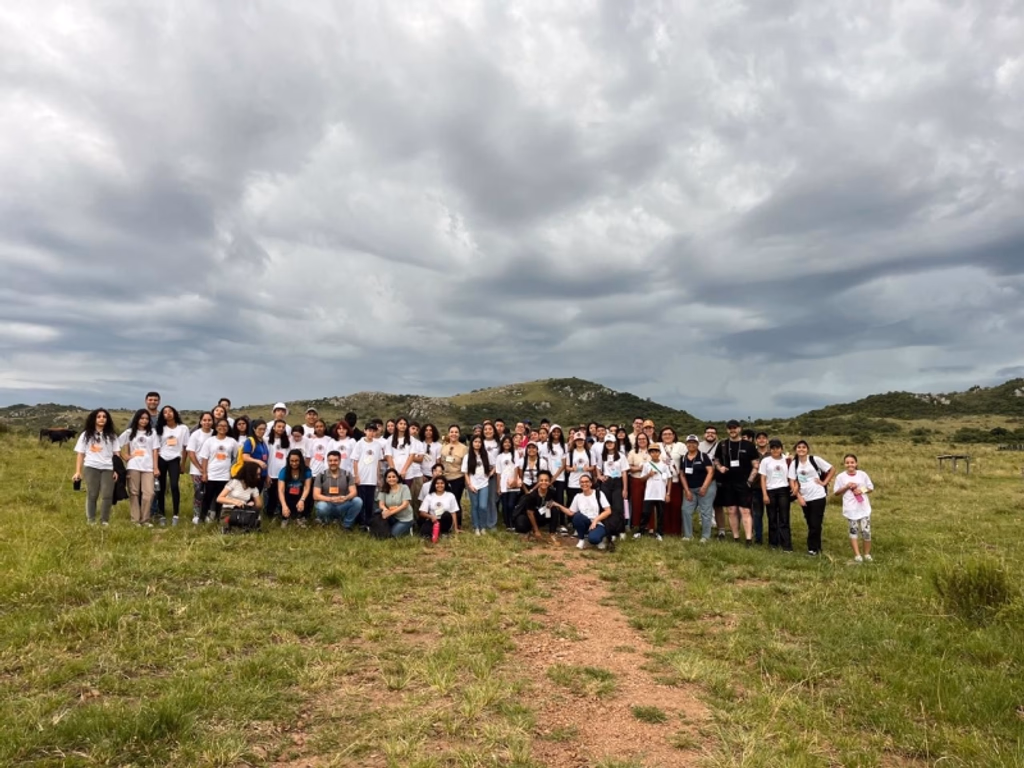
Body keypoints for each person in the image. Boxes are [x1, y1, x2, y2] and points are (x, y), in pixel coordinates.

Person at [72, 409, 121, 526]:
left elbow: (116, 454)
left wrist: (117, 470)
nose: (102, 418)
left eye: (104, 416)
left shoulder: (112, 435)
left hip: (108, 468)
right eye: (98, 416)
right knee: (92, 494)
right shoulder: (86, 435)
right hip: (91, 466)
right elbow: (80, 453)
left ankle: (104, 520)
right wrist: (78, 472)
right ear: (94, 419)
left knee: (107, 495)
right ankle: (91, 520)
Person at [714, 420, 758, 544]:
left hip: (743, 483)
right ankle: (736, 537)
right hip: (727, 483)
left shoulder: (748, 445)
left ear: (739, 429)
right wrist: (719, 467)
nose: (732, 430)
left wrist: (749, 481)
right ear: (727, 430)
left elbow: (755, 464)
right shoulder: (722, 444)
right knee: (731, 510)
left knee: (745, 510)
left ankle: (748, 538)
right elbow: (716, 460)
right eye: (729, 428)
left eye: (735, 428)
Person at [789, 441, 835, 556]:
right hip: (804, 497)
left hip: (818, 496)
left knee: (815, 523)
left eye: (804, 447)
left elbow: (832, 469)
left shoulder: (815, 459)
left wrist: (824, 482)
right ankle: (818, 547)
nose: (801, 449)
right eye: (799, 447)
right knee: (811, 523)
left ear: (807, 449)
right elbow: (792, 480)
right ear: (796, 449)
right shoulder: (794, 463)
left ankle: (812, 549)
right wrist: (799, 497)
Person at [549, 474, 614, 550]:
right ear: (579, 484)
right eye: (582, 482)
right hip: (586, 522)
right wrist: (558, 505)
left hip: (599, 523)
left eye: (586, 481)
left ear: (591, 483)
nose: (584, 484)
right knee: (577, 517)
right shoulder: (578, 496)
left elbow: (608, 511)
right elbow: (570, 512)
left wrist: (596, 520)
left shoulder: (598, 494)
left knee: (594, 539)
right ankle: (581, 539)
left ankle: (601, 539)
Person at [119, 409, 159, 526]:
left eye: (147, 419)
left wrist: (155, 468)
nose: (144, 421)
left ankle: (145, 519)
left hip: (148, 467)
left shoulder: (152, 433)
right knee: (134, 492)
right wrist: (125, 456)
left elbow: (155, 450)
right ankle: (135, 519)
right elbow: (115, 444)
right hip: (133, 466)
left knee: (149, 493)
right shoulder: (129, 432)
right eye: (142, 418)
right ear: (137, 419)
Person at [833, 454, 875, 562]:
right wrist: (846, 487)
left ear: (856, 463)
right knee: (853, 531)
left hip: (864, 508)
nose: (850, 465)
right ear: (844, 464)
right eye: (847, 462)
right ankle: (857, 554)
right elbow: (836, 492)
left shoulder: (863, 474)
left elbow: (870, 488)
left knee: (866, 531)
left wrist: (861, 490)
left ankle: (866, 554)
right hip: (851, 509)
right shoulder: (840, 477)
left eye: (852, 462)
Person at [154, 406, 190, 526]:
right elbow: (156, 447)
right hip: (161, 458)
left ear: (174, 413)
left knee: (174, 485)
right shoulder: (159, 429)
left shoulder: (183, 428)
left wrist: (183, 463)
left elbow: (185, 447)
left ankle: (175, 514)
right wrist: (155, 465)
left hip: (175, 459)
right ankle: (162, 514)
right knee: (161, 488)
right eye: (165, 412)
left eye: (170, 411)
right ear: (162, 415)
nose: (168, 414)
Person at [198, 419, 238, 524]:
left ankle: (218, 520)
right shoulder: (210, 441)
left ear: (228, 428)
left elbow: (237, 457)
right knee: (207, 498)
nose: (223, 428)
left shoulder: (232, 441)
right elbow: (204, 458)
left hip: (225, 476)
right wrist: (204, 473)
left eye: (225, 426)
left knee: (221, 500)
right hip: (211, 475)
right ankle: (201, 519)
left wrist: (233, 471)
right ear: (216, 427)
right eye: (220, 425)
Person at [680, 434, 716, 542]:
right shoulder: (683, 458)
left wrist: (704, 487)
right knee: (686, 510)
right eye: (689, 443)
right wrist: (686, 490)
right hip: (690, 488)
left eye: (694, 443)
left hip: (706, 487)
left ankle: (705, 536)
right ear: (686, 444)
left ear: (697, 444)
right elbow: (682, 474)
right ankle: (688, 535)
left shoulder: (703, 456)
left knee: (705, 512)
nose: (691, 444)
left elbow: (710, 471)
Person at [313, 450, 362, 529]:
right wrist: (331, 499)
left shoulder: (347, 474)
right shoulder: (321, 475)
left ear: (340, 461)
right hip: (328, 505)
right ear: (327, 461)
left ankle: (346, 525)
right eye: (330, 461)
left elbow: (354, 492)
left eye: (335, 460)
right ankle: (327, 522)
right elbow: (316, 495)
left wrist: (345, 498)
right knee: (321, 506)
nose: (333, 463)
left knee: (358, 501)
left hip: (342, 504)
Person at [758, 439, 792, 551]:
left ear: (781, 448)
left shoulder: (787, 460)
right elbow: (762, 478)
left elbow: (792, 476)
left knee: (784, 518)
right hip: (770, 490)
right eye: (772, 448)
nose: (775, 450)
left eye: (777, 448)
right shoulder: (765, 461)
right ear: (769, 449)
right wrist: (764, 494)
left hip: (784, 490)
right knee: (771, 517)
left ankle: (786, 545)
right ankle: (773, 543)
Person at [349, 423, 384, 524]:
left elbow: (378, 462)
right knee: (361, 501)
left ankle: (369, 521)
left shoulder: (378, 445)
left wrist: (378, 477)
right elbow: (355, 461)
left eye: (374, 431)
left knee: (370, 501)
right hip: (362, 478)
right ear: (365, 431)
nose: (371, 433)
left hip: (372, 479)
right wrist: (356, 476)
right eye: (369, 430)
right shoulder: (359, 443)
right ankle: (360, 521)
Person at [635, 444, 671, 540]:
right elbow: (641, 479)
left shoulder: (664, 465)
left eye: (656, 451)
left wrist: (668, 493)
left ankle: (659, 533)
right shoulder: (646, 465)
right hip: (649, 494)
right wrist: (649, 475)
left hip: (661, 493)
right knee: (645, 513)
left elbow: (669, 478)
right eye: (652, 452)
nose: (654, 453)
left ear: (659, 453)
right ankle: (640, 531)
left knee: (661, 514)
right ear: (650, 453)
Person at [597, 434, 628, 540]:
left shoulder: (621, 456)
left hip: (618, 483)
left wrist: (625, 488)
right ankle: (610, 531)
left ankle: (621, 530)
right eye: (607, 443)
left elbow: (624, 472)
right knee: (606, 507)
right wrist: (599, 476)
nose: (609, 444)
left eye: (611, 442)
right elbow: (597, 468)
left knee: (618, 508)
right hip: (607, 482)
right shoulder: (602, 456)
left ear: (615, 444)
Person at [186, 412, 215, 526]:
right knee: (199, 493)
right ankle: (196, 515)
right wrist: (200, 468)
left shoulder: (215, 433)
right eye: (204, 420)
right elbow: (191, 454)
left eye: (209, 420)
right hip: (197, 470)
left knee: (211, 494)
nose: (207, 422)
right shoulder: (196, 435)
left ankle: (209, 514)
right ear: (200, 421)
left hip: (212, 470)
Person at [386, 416, 425, 501]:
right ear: (396, 425)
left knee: (406, 497)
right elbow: (389, 456)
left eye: (405, 424)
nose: (403, 426)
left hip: (407, 473)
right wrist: (394, 471)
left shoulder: (411, 440)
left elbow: (411, 456)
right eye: (400, 424)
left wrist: (404, 470)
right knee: (394, 497)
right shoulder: (390, 439)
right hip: (394, 473)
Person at [215, 462, 263, 530]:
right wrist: (234, 502)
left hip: (243, 511)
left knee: (248, 525)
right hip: (228, 510)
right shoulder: (234, 482)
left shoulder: (253, 488)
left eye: (259, 474)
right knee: (231, 527)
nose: (259, 477)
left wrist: (252, 504)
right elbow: (219, 498)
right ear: (250, 474)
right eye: (257, 474)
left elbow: (259, 505)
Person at [462, 434, 493, 535]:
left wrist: (489, 475)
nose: (477, 444)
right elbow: (465, 472)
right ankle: (476, 527)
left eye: (479, 442)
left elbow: (494, 466)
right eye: (475, 442)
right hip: (473, 485)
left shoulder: (486, 455)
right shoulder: (467, 457)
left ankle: (483, 526)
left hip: (484, 484)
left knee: (483, 506)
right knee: (474, 506)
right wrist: (470, 485)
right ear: (472, 443)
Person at [514, 469, 559, 539]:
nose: (544, 482)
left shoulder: (552, 492)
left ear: (550, 481)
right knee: (521, 523)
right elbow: (530, 513)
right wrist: (536, 531)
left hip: (541, 513)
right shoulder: (532, 495)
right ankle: (530, 530)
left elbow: (550, 506)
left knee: (554, 510)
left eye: (546, 480)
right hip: (530, 516)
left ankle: (552, 533)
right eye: (541, 480)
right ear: (538, 481)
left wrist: (548, 510)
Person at [698, 425, 724, 539]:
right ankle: (704, 525)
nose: (710, 434)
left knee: (718, 505)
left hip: (717, 477)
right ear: (704, 434)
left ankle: (721, 530)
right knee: (702, 503)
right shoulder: (699, 446)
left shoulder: (721, 446)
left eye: (713, 433)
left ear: (716, 435)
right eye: (708, 432)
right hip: (700, 477)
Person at [660, 427, 685, 536]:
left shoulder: (680, 446)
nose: (667, 436)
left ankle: (676, 530)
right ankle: (664, 529)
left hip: (675, 481)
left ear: (674, 435)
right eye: (665, 434)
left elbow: (686, 460)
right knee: (663, 506)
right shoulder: (658, 446)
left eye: (670, 434)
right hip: (661, 481)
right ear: (661, 436)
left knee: (676, 505)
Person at [418, 476, 460, 542]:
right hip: (433, 520)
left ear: (445, 484)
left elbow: (453, 512)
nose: (440, 485)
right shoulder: (429, 496)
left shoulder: (450, 495)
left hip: (446, 520)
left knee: (446, 514)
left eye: (442, 483)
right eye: (437, 483)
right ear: (434, 485)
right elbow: (422, 512)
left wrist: (455, 528)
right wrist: (431, 516)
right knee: (424, 533)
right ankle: (434, 532)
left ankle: (445, 532)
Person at [278, 449, 313, 526]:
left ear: (301, 460)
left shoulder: (307, 471)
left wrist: (302, 500)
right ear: (288, 461)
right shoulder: (283, 471)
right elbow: (281, 490)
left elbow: (307, 488)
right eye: (292, 461)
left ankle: (301, 517)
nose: (294, 463)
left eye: (297, 461)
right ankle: (285, 517)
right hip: (288, 495)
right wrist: (284, 505)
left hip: (301, 495)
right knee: (280, 494)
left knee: (309, 493)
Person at [440, 425, 468, 517]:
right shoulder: (444, 447)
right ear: (449, 434)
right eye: (452, 432)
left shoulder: (464, 448)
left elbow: (466, 466)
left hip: (457, 478)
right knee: (445, 501)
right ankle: (446, 522)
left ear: (459, 434)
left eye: (456, 432)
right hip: (445, 478)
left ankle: (458, 524)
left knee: (455, 501)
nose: (454, 434)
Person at [627, 432, 653, 530]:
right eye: (639, 439)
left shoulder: (652, 451)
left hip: (650, 480)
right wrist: (639, 468)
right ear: (637, 441)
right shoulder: (633, 452)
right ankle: (638, 525)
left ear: (647, 440)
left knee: (649, 503)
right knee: (637, 503)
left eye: (644, 439)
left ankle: (650, 525)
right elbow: (628, 467)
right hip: (636, 480)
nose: (642, 441)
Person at [265, 419, 290, 519]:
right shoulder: (267, 440)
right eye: (279, 426)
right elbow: (265, 458)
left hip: (283, 473)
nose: (281, 429)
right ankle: (270, 516)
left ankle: (283, 514)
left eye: (283, 427)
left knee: (283, 495)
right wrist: (267, 475)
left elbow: (288, 457)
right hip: (271, 473)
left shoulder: (287, 441)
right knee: (272, 496)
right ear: (274, 427)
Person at [377, 468, 415, 537]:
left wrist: (390, 513)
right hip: (392, 517)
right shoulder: (384, 489)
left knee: (393, 535)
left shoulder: (404, 488)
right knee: (378, 511)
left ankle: (409, 527)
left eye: (394, 477)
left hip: (405, 518)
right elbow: (381, 504)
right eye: (389, 477)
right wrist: (385, 509)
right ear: (386, 479)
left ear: (397, 478)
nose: (391, 479)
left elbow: (405, 505)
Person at [495, 435, 520, 530]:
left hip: (512, 481)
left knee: (511, 504)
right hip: (503, 483)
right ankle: (507, 524)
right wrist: (498, 487)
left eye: (509, 442)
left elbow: (516, 468)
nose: (507, 444)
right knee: (505, 505)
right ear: (502, 444)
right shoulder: (499, 457)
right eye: (505, 442)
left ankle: (512, 522)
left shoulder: (515, 454)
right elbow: (498, 472)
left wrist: (515, 480)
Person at [565, 431, 594, 510]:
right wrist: (572, 469)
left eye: (581, 440)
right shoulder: (570, 453)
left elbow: (593, 467)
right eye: (577, 440)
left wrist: (588, 468)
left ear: (584, 441)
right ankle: (571, 520)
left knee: (586, 502)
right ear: (574, 441)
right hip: (573, 482)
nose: (579, 442)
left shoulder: (590, 453)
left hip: (586, 481)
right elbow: (567, 467)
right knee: (572, 502)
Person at [750, 431, 770, 545]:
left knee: (772, 514)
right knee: (757, 514)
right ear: (756, 441)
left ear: (767, 440)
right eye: (759, 438)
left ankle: (774, 538)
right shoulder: (752, 454)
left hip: (771, 488)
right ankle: (758, 538)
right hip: (756, 488)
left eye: (764, 438)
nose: (761, 440)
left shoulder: (773, 453)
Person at [482, 421, 501, 529]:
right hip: (481, 474)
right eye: (485, 429)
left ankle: (492, 523)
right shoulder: (480, 442)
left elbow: (500, 459)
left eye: (490, 429)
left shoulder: (498, 443)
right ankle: (482, 521)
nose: (488, 431)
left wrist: (493, 471)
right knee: (483, 499)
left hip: (494, 473)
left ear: (494, 431)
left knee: (492, 499)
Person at [242, 419, 270, 486]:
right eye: (260, 429)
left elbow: (265, 460)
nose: (262, 431)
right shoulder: (250, 441)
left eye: (264, 429)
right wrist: (258, 461)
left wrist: (267, 475)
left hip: (262, 474)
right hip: (253, 474)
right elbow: (245, 457)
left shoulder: (263, 441)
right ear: (254, 429)